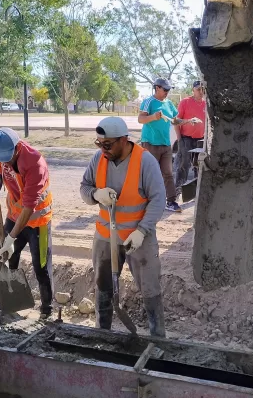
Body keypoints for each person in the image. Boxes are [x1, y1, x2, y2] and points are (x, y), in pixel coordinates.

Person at [80, 117, 167, 336]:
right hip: (105, 236)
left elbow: (159, 199)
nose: (103, 149)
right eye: (99, 144)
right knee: (103, 289)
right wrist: (94, 194)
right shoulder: (98, 159)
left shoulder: (144, 162)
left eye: (107, 145)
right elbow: (85, 186)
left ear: (123, 140)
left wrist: (142, 231)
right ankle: (103, 334)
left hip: (139, 238)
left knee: (150, 289)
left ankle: (158, 339)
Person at [0, 128, 55, 319]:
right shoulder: (0, 154)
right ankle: (10, 301)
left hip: (38, 221)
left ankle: (46, 310)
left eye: (7, 157)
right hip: (14, 216)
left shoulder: (35, 163)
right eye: (0, 158)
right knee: (6, 256)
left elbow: (29, 207)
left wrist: (11, 238)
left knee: (41, 266)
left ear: (18, 147)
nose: (4, 162)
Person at [138, 78, 202, 213]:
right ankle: (143, 200)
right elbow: (141, 119)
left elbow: (174, 121)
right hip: (150, 143)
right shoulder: (149, 102)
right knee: (149, 173)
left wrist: (189, 121)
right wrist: (153, 117)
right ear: (157, 88)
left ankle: (171, 201)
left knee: (167, 173)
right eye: (165, 89)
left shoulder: (168, 103)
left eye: (168, 90)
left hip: (165, 144)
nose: (167, 92)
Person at [174, 81, 206, 190]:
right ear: (193, 90)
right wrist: (179, 139)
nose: (201, 92)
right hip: (186, 139)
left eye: (202, 89)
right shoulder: (185, 102)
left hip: (201, 140)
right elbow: (175, 121)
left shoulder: (206, 104)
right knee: (184, 165)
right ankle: (178, 190)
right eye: (198, 89)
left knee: (199, 165)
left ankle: (197, 191)